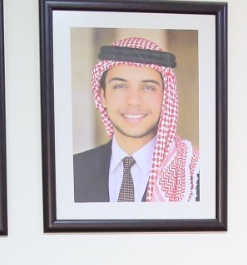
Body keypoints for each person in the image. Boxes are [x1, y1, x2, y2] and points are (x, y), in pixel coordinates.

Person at [73, 38, 199, 203]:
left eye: (148, 87)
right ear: (102, 96)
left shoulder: (194, 174)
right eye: (120, 86)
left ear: (166, 97)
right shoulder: (73, 170)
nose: (134, 101)